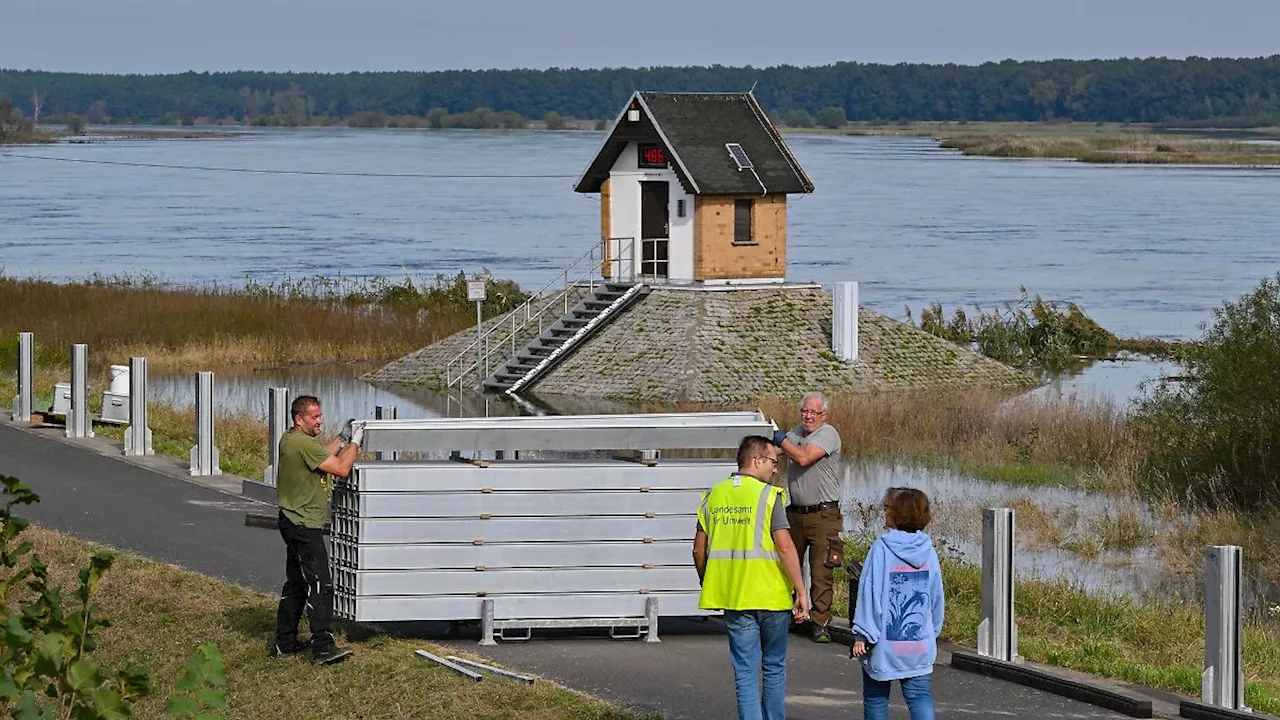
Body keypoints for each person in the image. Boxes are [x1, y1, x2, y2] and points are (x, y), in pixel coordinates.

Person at [694, 436, 810, 720]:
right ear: (757, 461)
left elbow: (698, 550)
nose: (774, 470)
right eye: (773, 462)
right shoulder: (770, 496)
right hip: (771, 596)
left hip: (735, 598)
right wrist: (802, 591)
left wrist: (707, 580)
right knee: (773, 666)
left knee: (745, 671)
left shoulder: (713, 495)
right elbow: (785, 547)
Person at [272, 395, 363, 665]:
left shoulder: (291, 439)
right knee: (320, 584)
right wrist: (356, 443)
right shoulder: (303, 443)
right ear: (298, 419)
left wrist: (342, 439)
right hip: (304, 525)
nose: (320, 421)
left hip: (290, 519)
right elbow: (342, 469)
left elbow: (320, 455)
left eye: (320, 416)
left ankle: (284, 643)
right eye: (314, 417)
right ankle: (322, 647)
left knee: (297, 583)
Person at [850, 488, 944, 720]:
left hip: (884, 642)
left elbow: (870, 593)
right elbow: (936, 596)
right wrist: (932, 632)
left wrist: (863, 634)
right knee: (919, 696)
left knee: (876, 696)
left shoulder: (881, 548)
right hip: (918, 642)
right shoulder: (928, 550)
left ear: (895, 514)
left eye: (888, 508)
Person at [772, 391, 843, 642]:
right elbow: (777, 449)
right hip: (796, 512)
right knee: (787, 564)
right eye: (805, 411)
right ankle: (788, 615)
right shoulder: (796, 433)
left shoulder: (828, 434)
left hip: (823, 514)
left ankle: (820, 622)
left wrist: (779, 438)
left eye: (814, 412)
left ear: (824, 415)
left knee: (821, 569)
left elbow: (802, 457)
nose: (809, 416)